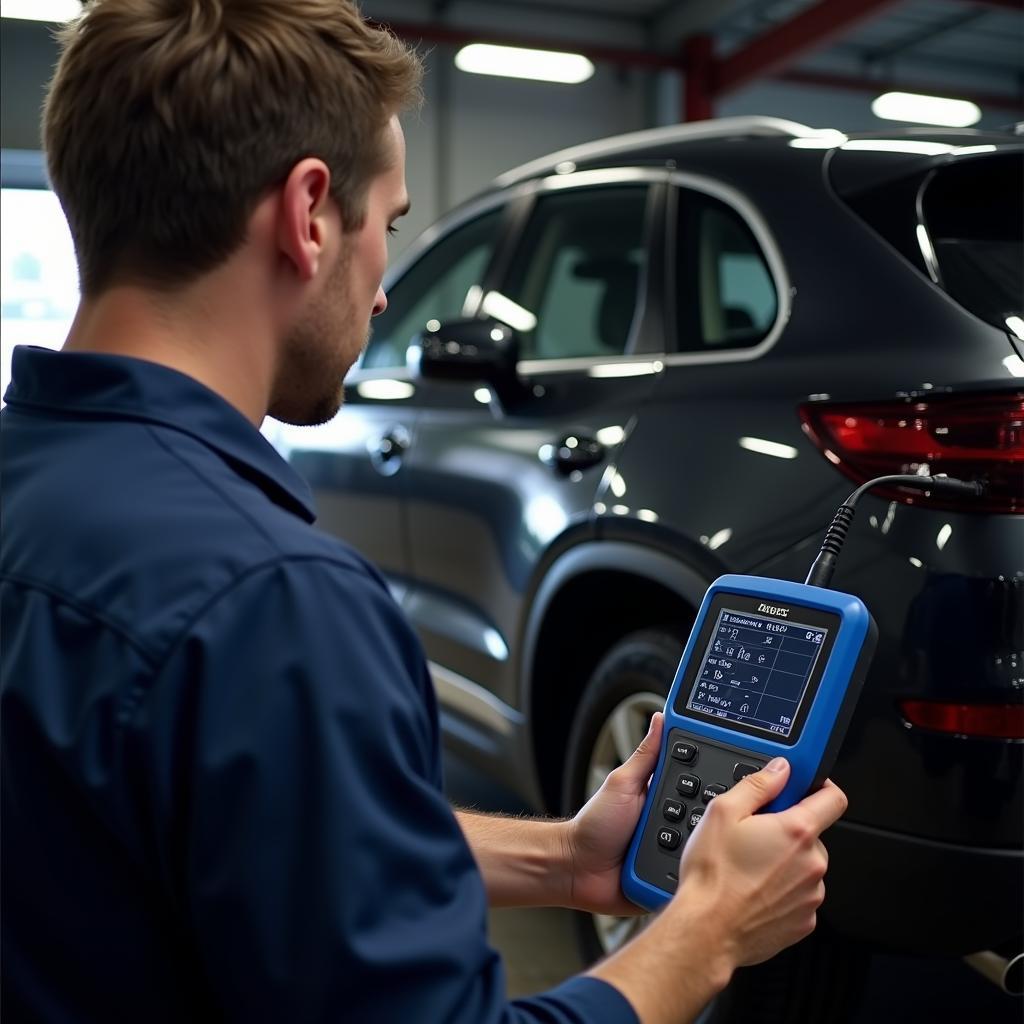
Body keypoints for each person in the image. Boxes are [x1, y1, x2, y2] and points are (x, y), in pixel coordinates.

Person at [0, 2, 848, 1022]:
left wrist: (567, 856)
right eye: (388, 226)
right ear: (310, 213)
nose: (383, 292)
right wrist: (706, 926)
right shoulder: (272, 605)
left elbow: (253, 833)